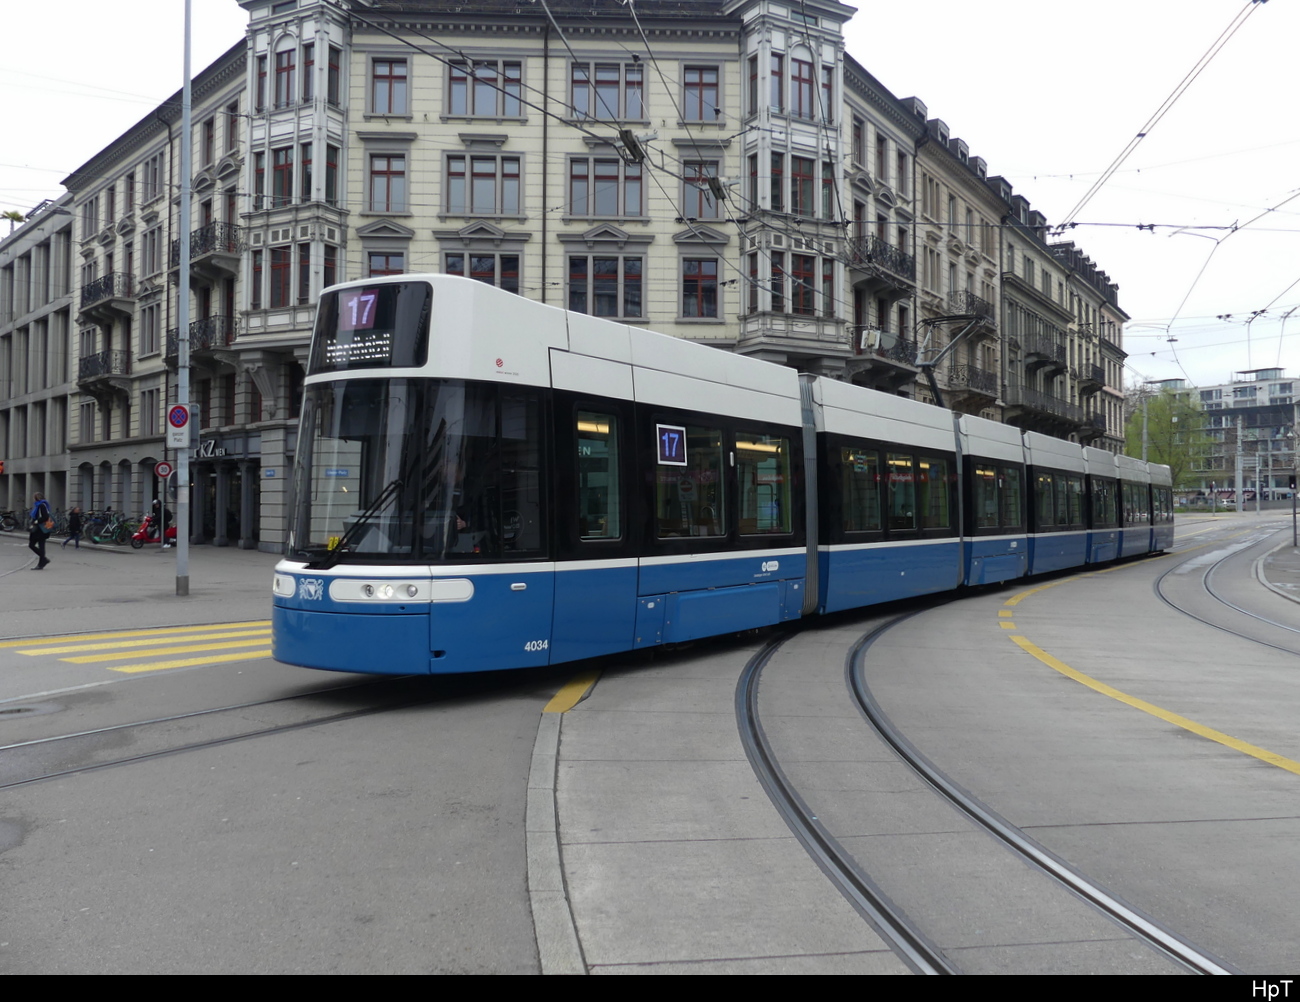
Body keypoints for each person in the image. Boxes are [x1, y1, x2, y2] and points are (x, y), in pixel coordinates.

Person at [28, 492, 51, 570]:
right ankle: (43, 560)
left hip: (40, 529)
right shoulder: (40, 505)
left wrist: (36, 521)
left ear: (36, 498)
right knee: (39, 545)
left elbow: (45, 517)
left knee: (34, 545)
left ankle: (42, 561)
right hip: (40, 529)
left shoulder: (41, 505)